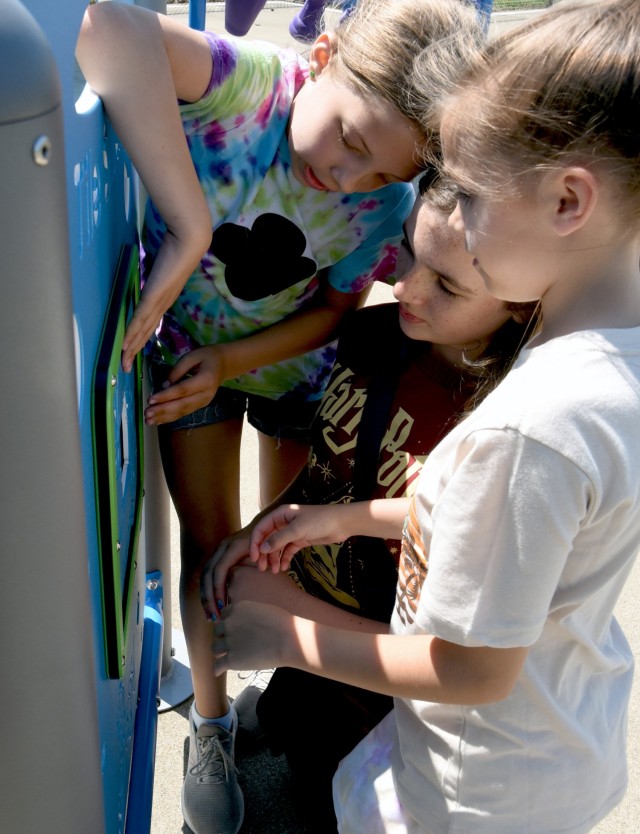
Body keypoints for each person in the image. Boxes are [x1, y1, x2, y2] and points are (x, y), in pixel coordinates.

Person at [209, 0, 640, 831]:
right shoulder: (609, 356)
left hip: (471, 789)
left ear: (567, 201)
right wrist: (344, 518)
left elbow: (473, 671)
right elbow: (508, 530)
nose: (455, 223)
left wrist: (286, 635)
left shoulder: (537, 420)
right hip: (552, 742)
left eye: (473, 193)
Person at [76, 3, 482, 834]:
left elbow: (335, 310)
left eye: (381, 175)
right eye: (355, 142)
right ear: (322, 56)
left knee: (287, 545)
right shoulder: (244, 88)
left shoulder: (384, 198)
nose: (352, 179)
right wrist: (189, 229)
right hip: (189, 358)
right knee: (213, 543)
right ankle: (214, 725)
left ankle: (274, 691)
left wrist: (237, 359)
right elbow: (109, 26)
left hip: (294, 374)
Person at [202, 171, 539, 832]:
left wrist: (293, 629)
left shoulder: (506, 423)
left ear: (520, 299)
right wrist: (268, 526)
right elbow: (334, 468)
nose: (401, 285)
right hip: (311, 653)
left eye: (447, 283)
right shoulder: (374, 335)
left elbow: (461, 660)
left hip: (390, 707)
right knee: (283, 750)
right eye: (408, 251)